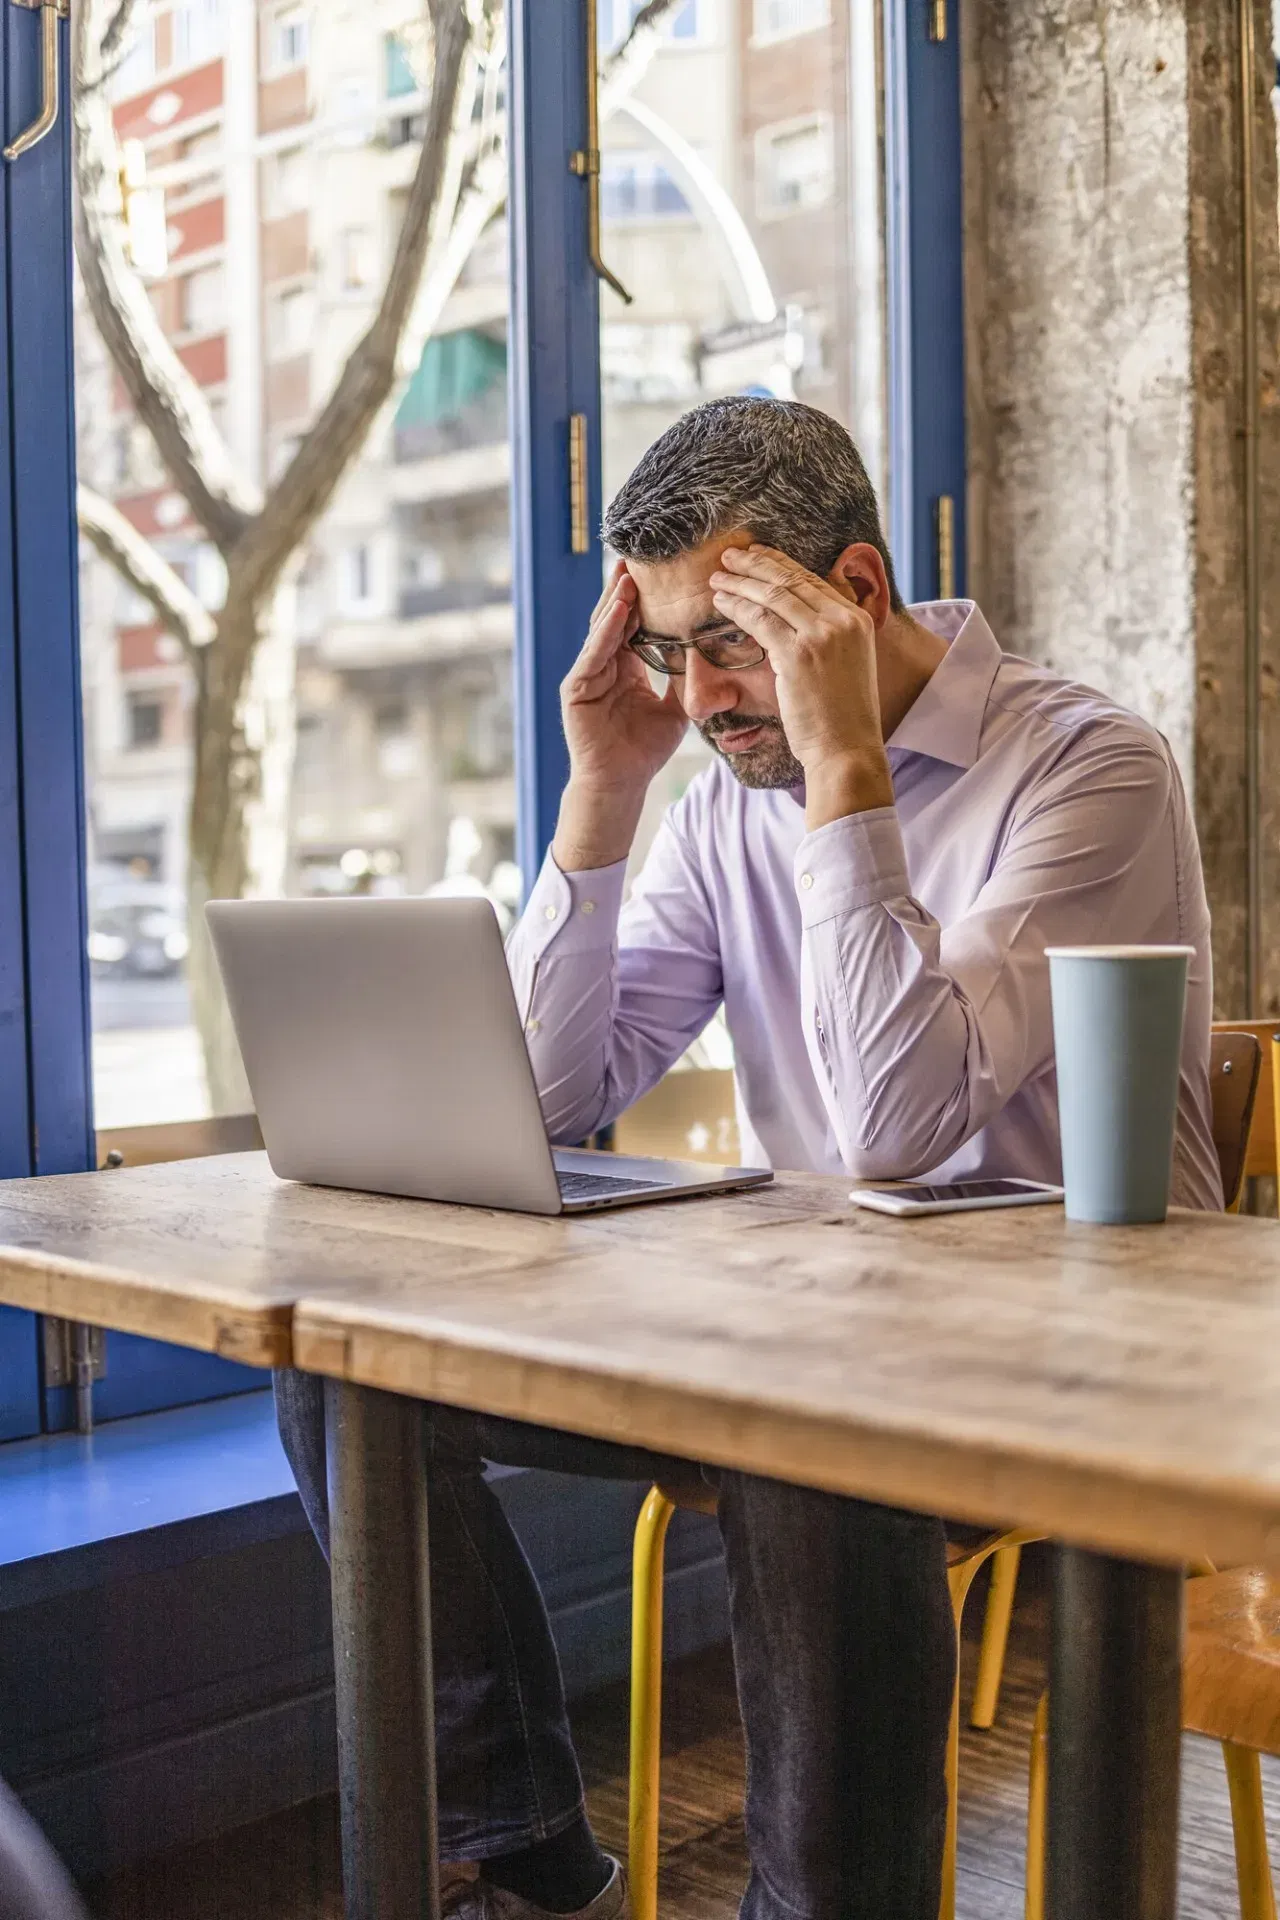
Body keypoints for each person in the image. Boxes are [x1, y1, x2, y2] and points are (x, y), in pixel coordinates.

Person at [275, 396, 1220, 1920]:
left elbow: (897, 1124)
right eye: (668, 652)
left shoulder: (1088, 767)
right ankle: (522, 1864)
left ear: (851, 592)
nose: (701, 698)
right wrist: (602, 799)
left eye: (728, 642)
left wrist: (846, 767)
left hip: (1079, 1352)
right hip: (832, 1334)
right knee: (346, 1373)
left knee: (806, 1426)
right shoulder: (724, 804)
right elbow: (549, 1100)